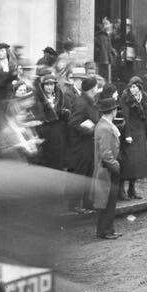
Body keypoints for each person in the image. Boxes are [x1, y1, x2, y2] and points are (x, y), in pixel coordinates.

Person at [64, 75, 100, 212]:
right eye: (96, 86)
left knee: (89, 173)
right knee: (79, 173)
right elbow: (73, 123)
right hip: (80, 146)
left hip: (88, 145)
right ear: (92, 88)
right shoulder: (82, 102)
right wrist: (90, 130)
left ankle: (86, 202)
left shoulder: (90, 101)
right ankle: (74, 204)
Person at [91, 86, 123, 239]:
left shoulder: (105, 125)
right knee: (106, 202)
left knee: (110, 202)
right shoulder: (104, 127)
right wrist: (116, 165)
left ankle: (109, 229)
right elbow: (105, 153)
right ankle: (103, 231)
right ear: (113, 111)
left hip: (108, 169)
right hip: (106, 169)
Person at [118, 74, 147, 199]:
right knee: (127, 162)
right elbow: (126, 117)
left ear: (140, 88)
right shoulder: (125, 99)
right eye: (131, 87)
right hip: (130, 132)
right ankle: (121, 190)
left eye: (135, 87)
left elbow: (146, 118)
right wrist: (127, 135)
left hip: (140, 133)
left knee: (138, 162)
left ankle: (132, 189)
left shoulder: (144, 99)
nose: (133, 90)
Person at [0, 81, 42, 160]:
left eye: (24, 91)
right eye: (20, 90)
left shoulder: (24, 106)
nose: (23, 93)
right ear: (15, 91)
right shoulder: (12, 105)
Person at [33, 71, 66, 170]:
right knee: (46, 155)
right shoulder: (38, 99)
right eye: (46, 85)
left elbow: (63, 112)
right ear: (43, 86)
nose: (49, 87)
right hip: (44, 129)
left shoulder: (59, 98)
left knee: (57, 154)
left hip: (57, 130)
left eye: (51, 84)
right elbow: (38, 114)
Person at [93, 18, 114, 82]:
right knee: (106, 78)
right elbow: (109, 50)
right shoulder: (106, 37)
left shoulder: (97, 37)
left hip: (99, 60)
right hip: (105, 60)